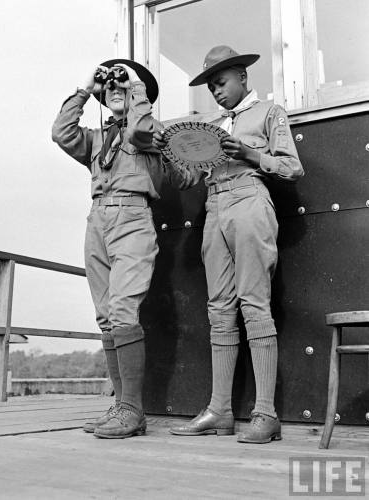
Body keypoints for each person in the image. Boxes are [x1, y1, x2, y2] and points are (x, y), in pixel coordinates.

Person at [154, 46, 304, 443]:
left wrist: (253, 154)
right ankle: (220, 410)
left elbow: (292, 168)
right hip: (215, 206)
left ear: (243, 78)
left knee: (254, 302)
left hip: (251, 199)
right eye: (210, 87)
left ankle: (266, 414)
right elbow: (189, 179)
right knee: (218, 307)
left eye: (220, 83)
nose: (216, 93)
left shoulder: (269, 113)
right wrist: (172, 157)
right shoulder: (210, 126)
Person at [52, 59, 192, 439]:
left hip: (132, 218)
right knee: (105, 316)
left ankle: (133, 410)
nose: (115, 88)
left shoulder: (148, 129)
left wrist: (135, 90)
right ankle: (119, 405)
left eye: (123, 84)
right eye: (109, 85)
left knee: (123, 309)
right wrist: (84, 88)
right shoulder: (98, 138)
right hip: (97, 219)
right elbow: (61, 133)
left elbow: (143, 130)